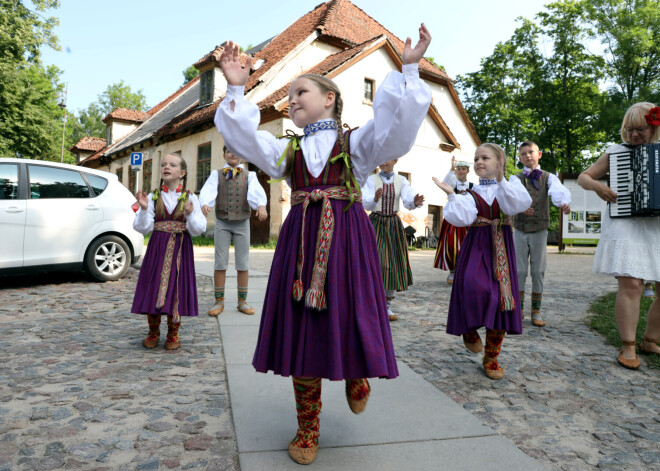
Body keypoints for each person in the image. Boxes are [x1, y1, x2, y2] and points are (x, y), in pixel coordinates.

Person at [214, 24, 432, 465]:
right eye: (290, 96)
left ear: (329, 98)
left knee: (350, 313)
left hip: (347, 238)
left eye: (301, 92)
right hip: (300, 242)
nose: (292, 100)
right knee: (302, 330)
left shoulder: (358, 143)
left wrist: (408, 72)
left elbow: (396, 132)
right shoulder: (286, 151)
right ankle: (308, 426)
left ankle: (356, 372)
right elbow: (244, 140)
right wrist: (237, 89)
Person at [433, 143, 531, 380]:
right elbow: (460, 218)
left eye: (485, 158)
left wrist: (501, 181)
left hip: (501, 247)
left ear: (500, 162)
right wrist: (450, 194)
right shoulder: (470, 192)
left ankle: (492, 356)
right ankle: (468, 329)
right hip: (476, 246)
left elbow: (517, 205)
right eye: (476, 158)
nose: (478, 162)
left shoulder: (511, 186)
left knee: (499, 299)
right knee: (470, 286)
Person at [577, 102, 660, 370]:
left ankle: (651, 339)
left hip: (656, 226)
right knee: (632, 285)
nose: (635, 135)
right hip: (626, 223)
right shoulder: (616, 152)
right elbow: (583, 177)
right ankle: (628, 346)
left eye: (641, 129)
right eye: (629, 129)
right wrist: (598, 187)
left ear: (654, 127)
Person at [132, 153, 206, 350]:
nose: (166, 167)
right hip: (158, 247)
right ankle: (153, 331)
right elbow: (143, 227)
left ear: (182, 173)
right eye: (164, 164)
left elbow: (199, 230)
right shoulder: (153, 196)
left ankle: (173, 332)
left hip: (181, 249)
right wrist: (145, 209)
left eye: (172, 165)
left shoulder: (190, 198)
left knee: (177, 289)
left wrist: (190, 214)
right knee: (155, 286)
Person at [199, 146, 268, 316]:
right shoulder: (217, 174)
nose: (233, 153)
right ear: (224, 155)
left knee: (243, 263)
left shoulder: (249, 176)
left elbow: (257, 193)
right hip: (222, 223)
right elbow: (207, 191)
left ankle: (242, 301)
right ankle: (219, 301)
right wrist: (205, 203)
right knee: (220, 262)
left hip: (242, 223)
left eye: (236, 150)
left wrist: (261, 205)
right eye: (229, 151)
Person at [512, 141, 571, 327]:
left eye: (531, 152)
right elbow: (511, 197)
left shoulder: (549, 177)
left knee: (538, 271)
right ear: (520, 158)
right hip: (520, 229)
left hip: (540, 229)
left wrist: (563, 202)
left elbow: (558, 191)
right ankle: (518, 310)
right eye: (523, 154)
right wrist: (520, 207)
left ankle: (536, 311)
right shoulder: (516, 178)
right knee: (519, 270)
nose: (528, 156)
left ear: (540, 155)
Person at [361, 159, 425, 321]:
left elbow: (408, 199)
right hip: (375, 223)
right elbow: (366, 203)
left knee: (393, 264)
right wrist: (374, 199)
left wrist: (414, 202)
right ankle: (370, 303)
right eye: (380, 159)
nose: (382, 162)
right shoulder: (371, 179)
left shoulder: (401, 180)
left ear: (395, 160)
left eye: (387, 159)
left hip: (393, 225)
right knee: (375, 262)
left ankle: (386, 306)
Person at [433, 156, 473, 284]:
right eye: (459, 169)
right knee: (451, 244)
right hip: (452, 219)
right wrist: (451, 169)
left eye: (463, 169)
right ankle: (453, 270)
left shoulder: (473, 186)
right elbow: (445, 184)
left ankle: (465, 271)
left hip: (467, 220)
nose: (461, 171)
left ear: (468, 171)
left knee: (467, 245)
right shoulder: (452, 183)